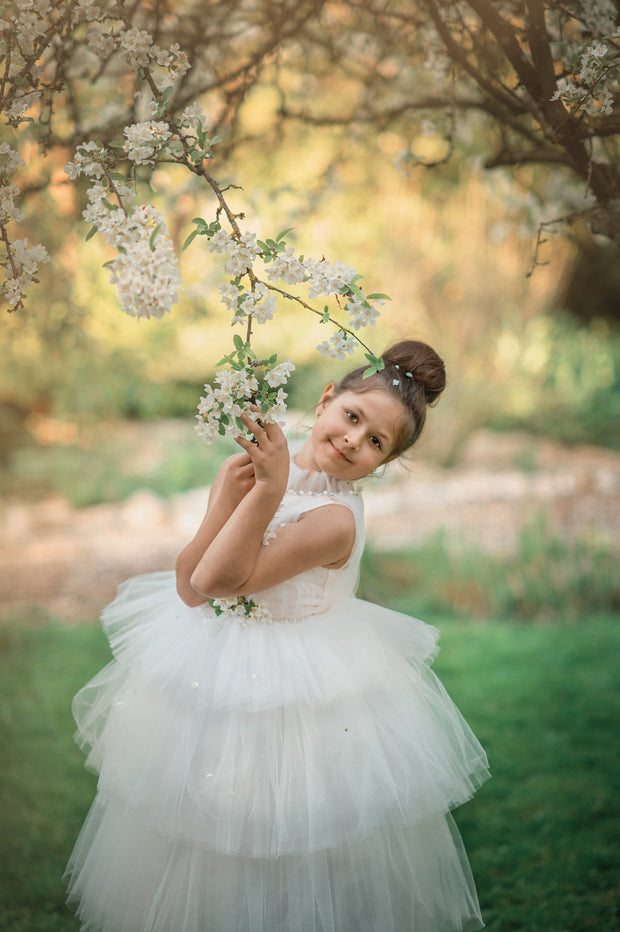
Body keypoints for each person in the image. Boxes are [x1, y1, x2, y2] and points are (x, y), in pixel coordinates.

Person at [65, 339, 490, 932]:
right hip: (220, 668)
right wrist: (234, 491)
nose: (352, 440)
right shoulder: (259, 470)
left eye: (376, 443)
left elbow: (221, 579)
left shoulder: (334, 521)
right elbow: (190, 589)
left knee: (287, 839)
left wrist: (266, 492)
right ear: (325, 401)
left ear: (383, 464)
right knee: (207, 829)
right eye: (352, 416)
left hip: (301, 691)